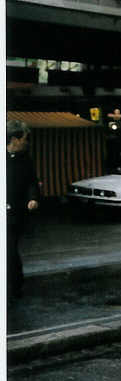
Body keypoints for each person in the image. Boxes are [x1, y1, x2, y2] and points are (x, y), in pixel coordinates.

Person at [7, 119, 39, 301]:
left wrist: (33, 198)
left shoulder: (25, 159)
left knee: (9, 249)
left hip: (13, 215)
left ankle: (14, 288)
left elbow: (32, 182)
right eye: (25, 138)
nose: (27, 142)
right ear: (14, 139)